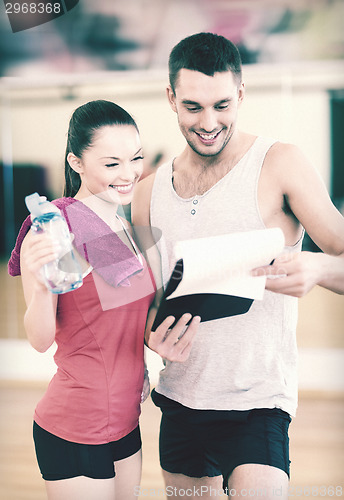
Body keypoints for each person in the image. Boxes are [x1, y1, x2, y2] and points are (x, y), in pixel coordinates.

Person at [132, 33, 344, 499]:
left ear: (242, 95)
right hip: (181, 401)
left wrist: (318, 270)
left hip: (258, 404)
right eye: (192, 107)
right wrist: (152, 333)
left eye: (222, 105)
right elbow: (149, 302)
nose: (209, 123)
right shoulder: (147, 194)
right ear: (171, 98)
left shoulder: (280, 163)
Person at [7, 99, 199, 500]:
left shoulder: (122, 224)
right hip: (75, 423)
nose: (129, 174)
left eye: (136, 159)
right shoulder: (55, 229)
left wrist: (158, 340)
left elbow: (122, 318)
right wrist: (42, 288)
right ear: (76, 162)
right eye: (112, 164)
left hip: (126, 418)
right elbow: (41, 339)